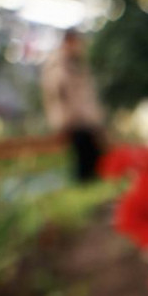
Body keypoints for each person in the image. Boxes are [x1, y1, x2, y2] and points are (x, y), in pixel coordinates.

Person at [41, 30, 105, 182]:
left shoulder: (79, 63)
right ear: (68, 42)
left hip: (87, 120)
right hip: (73, 121)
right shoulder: (58, 64)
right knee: (82, 164)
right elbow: (56, 91)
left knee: (95, 161)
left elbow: (88, 96)